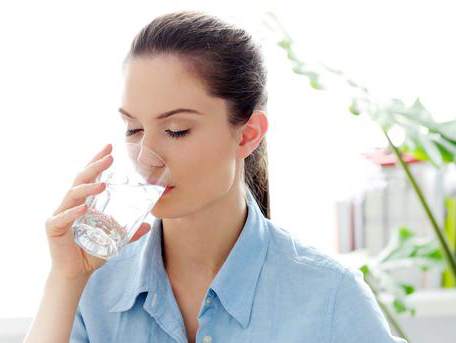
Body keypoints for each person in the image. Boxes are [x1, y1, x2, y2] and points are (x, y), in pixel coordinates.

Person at [24, 10, 408, 343]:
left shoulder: (327, 296)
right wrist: (66, 277)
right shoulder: (94, 286)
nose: (147, 158)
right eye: (133, 129)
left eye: (176, 130)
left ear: (247, 134)